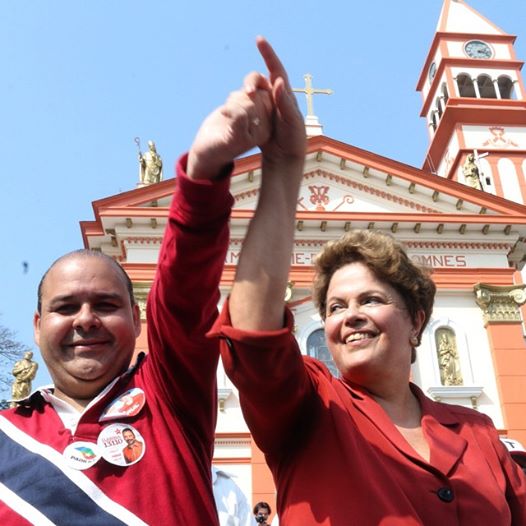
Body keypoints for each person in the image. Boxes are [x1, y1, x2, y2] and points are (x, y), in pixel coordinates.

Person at [208, 48, 526, 526]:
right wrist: (282, 168)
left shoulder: (478, 432)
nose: (348, 315)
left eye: (370, 300)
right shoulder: (312, 407)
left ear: (417, 319)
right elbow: (253, 340)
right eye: (334, 307)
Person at [0, 38, 280, 524]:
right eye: (66, 308)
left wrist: (206, 172)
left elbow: (186, 290)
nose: (86, 319)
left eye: (105, 305)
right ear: (38, 323)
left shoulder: (171, 399)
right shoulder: (9, 434)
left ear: (137, 318)